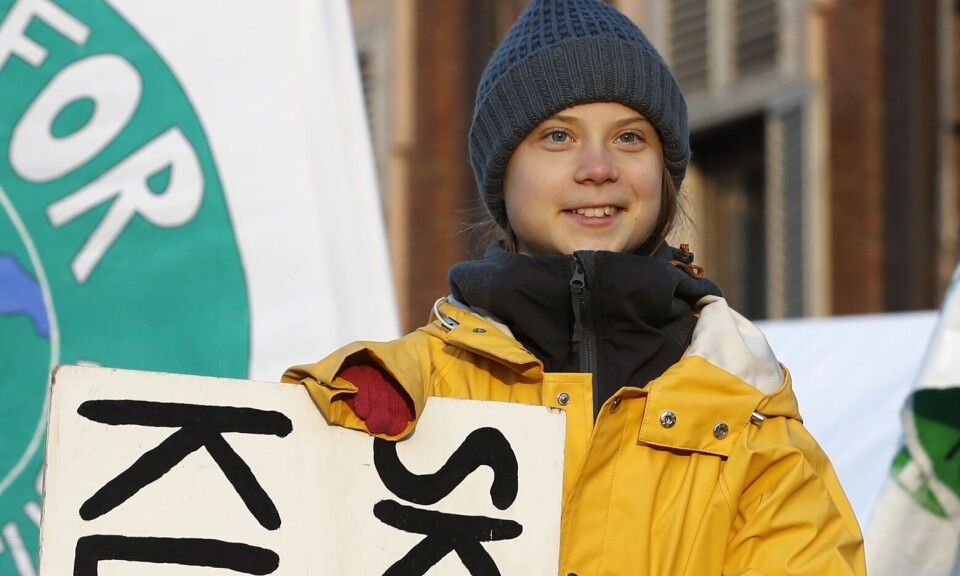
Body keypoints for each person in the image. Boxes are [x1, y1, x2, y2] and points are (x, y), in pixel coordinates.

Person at [283, 0, 867, 573]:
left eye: (630, 138)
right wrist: (334, 410)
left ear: (663, 174)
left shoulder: (751, 417)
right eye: (558, 137)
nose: (598, 167)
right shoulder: (390, 385)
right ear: (502, 174)